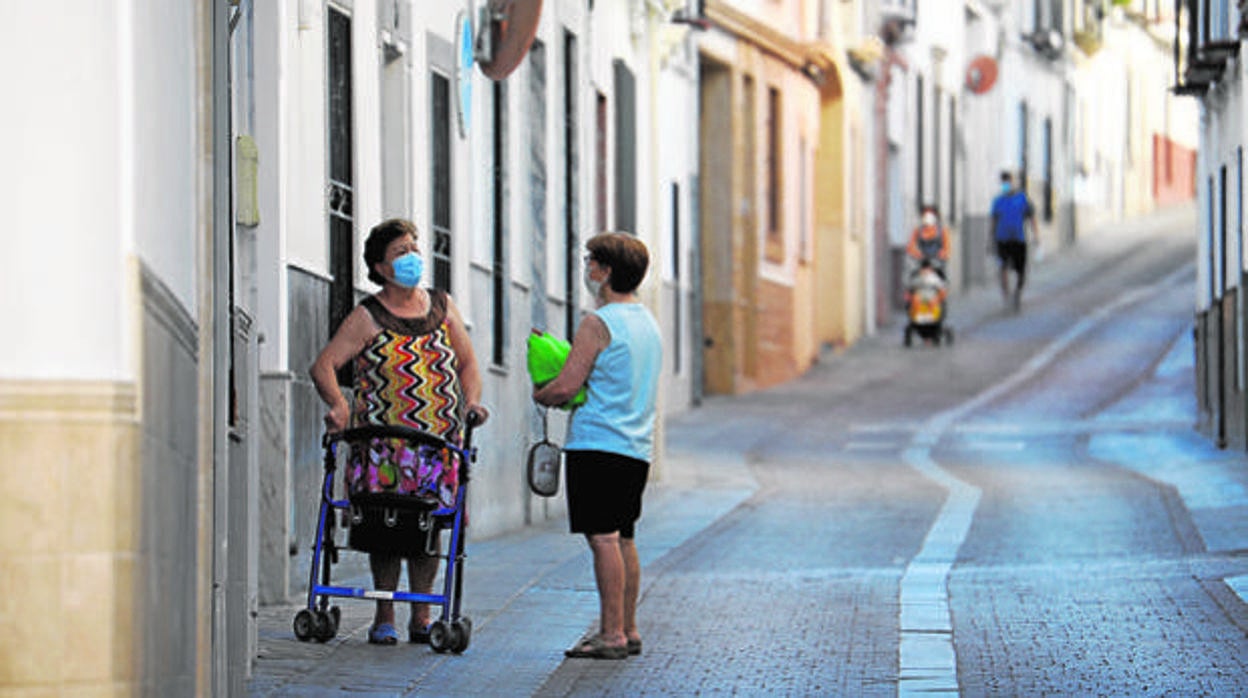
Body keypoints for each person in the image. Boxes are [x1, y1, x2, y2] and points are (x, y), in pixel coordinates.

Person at [309, 218, 489, 646]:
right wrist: (339, 405)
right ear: (381, 267)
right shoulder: (367, 316)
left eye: (414, 248)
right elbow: (324, 366)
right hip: (383, 448)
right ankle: (384, 613)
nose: (412, 258)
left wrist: (471, 404)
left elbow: (467, 364)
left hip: (438, 445)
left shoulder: (443, 307)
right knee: (385, 528)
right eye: (400, 253)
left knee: (428, 526)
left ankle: (422, 615)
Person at [533, 232, 662, 660]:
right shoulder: (648, 323)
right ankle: (629, 627)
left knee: (602, 539)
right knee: (624, 537)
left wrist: (543, 393)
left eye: (591, 261)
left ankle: (610, 635)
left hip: (597, 444)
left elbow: (569, 384)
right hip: (636, 447)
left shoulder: (598, 322)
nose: (587, 268)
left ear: (605, 271)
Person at [990, 170, 1039, 311]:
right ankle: (1006, 297)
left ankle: (1017, 294)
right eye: (1003, 182)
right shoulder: (998, 201)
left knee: (1021, 271)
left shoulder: (1022, 199)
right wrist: (991, 239)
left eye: (1008, 181)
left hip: (1019, 239)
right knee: (1003, 268)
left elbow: (1031, 216)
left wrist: (1036, 236)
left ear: (1013, 182)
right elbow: (994, 219)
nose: (1006, 184)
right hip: (1002, 239)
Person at [905, 203, 951, 277]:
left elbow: (947, 249)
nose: (927, 217)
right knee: (910, 283)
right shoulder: (918, 230)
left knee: (943, 284)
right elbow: (910, 247)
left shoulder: (942, 231)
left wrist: (941, 255)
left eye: (930, 214)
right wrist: (918, 254)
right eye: (925, 214)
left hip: (937, 264)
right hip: (921, 263)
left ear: (935, 216)